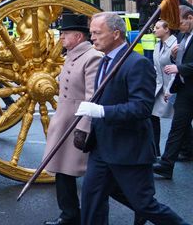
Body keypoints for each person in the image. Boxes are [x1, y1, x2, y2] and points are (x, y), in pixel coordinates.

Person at [76, 12, 187, 225]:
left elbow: (142, 107)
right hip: (101, 147)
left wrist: (101, 111)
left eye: (97, 33)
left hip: (128, 148)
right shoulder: (105, 60)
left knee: (145, 205)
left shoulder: (136, 63)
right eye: (91, 33)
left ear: (116, 34)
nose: (93, 38)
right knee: (92, 201)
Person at [42, 13, 101, 225]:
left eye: (64, 34)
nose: (61, 38)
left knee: (103, 178)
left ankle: (139, 205)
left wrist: (84, 128)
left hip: (76, 121)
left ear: (77, 36)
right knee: (61, 170)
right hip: (64, 119)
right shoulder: (72, 55)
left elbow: (92, 96)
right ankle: (69, 215)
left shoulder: (91, 57)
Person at [154, 6, 193, 178]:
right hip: (185, 89)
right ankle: (166, 164)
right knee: (178, 126)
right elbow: (181, 60)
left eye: (181, 22)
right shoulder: (184, 36)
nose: (178, 27)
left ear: (190, 17)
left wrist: (178, 67)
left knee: (180, 126)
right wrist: (174, 57)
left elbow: (183, 66)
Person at [151, 20, 177, 157]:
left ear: (167, 29)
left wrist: (171, 89)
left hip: (173, 87)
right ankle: (155, 151)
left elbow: (175, 69)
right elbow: (156, 69)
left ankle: (188, 148)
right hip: (159, 88)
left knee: (179, 120)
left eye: (157, 27)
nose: (154, 30)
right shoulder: (157, 45)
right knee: (152, 115)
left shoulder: (176, 44)